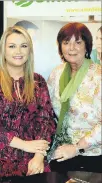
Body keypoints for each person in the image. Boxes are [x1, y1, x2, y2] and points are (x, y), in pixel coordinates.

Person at [0, 26, 56, 178]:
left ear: (29, 51)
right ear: (3, 50)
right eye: (12, 46)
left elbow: (47, 122)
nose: (18, 51)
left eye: (23, 46)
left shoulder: (38, 81)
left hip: (33, 159)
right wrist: (25, 145)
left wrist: (39, 156)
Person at [47, 22, 102, 173]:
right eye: (66, 42)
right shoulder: (56, 73)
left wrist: (77, 148)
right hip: (60, 152)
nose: (71, 48)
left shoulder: (98, 76)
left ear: (87, 46)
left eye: (78, 42)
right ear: (60, 47)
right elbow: (47, 112)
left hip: (93, 155)